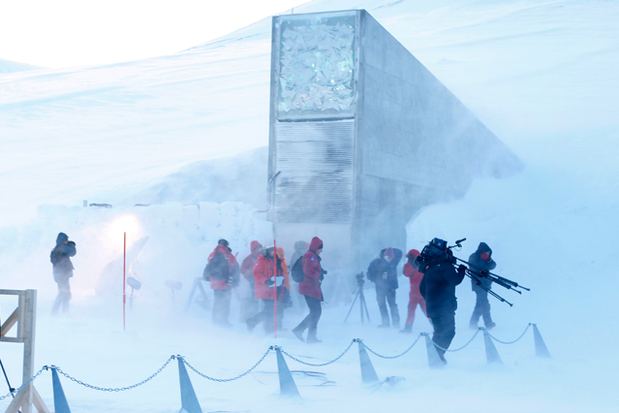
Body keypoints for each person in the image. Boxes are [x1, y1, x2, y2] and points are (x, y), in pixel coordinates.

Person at [418, 238, 466, 363]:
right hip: (445, 306)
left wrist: (430, 299)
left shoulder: (429, 269)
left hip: (432, 307)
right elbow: (454, 281)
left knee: (439, 331)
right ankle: (437, 355)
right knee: (449, 331)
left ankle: (434, 355)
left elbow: (422, 287)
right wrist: (461, 272)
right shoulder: (446, 266)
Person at [292, 237, 325, 343]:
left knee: (316, 312)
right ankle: (299, 330)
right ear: (316, 247)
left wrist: (321, 271)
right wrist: (318, 274)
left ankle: (311, 336)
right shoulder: (310, 255)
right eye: (320, 248)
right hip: (309, 287)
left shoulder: (312, 256)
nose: (321, 250)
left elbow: (311, 268)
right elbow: (308, 270)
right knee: (316, 312)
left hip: (312, 287)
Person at [246, 246, 284, 333]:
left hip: (273, 289)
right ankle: (253, 322)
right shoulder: (261, 261)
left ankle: (268, 329)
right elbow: (257, 273)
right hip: (264, 290)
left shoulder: (274, 260)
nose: (274, 252)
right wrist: (266, 280)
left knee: (272, 310)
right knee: (270, 310)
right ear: (267, 252)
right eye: (272, 251)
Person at [204, 239, 240, 327]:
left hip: (215, 283)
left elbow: (209, 265)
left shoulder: (211, 255)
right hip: (226, 283)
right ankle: (224, 321)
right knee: (226, 303)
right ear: (226, 245)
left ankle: (216, 321)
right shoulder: (228, 255)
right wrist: (236, 281)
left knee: (217, 302)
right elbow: (235, 268)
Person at [366, 247, 402, 328]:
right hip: (380, 288)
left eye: (391, 257)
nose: (390, 259)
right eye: (388, 257)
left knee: (393, 305)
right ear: (385, 256)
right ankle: (385, 322)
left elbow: (400, 252)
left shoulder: (394, 262)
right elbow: (369, 273)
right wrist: (375, 280)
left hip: (391, 288)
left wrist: (389, 249)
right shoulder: (376, 263)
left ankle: (396, 323)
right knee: (382, 305)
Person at [468, 242, 497, 330]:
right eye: (486, 253)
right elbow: (475, 268)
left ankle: (473, 322)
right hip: (478, 284)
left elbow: (493, 266)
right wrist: (482, 259)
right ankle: (488, 323)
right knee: (485, 304)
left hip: (486, 284)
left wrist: (488, 259)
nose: (487, 254)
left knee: (479, 305)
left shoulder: (485, 258)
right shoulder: (473, 257)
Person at [400, 249, 427, 333]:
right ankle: (436, 326)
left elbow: (406, 272)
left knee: (411, 311)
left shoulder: (411, 265)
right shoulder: (424, 264)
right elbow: (406, 272)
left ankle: (408, 328)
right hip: (423, 293)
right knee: (427, 311)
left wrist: (412, 264)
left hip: (416, 294)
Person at [50, 232, 77, 315]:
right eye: (66, 240)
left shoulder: (57, 249)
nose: (67, 241)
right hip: (63, 275)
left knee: (65, 294)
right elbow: (72, 252)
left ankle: (64, 312)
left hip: (60, 275)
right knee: (63, 293)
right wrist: (72, 244)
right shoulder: (62, 248)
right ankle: (56, 312)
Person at [240, 240, 262, 318]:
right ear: (253, 249)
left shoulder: (263, 257)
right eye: (257, 249)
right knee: (255, 297)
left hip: (264, 281)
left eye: (259, 248)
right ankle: (253, 312)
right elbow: (242, 269)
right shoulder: (248, 259)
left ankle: (263, 313)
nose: (258, 250)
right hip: (254, 281)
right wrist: (249, 278)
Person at [276, 247, 292, 329]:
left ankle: (278, 326)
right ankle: (276, 327)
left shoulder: (282, 261)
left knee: (280, 309)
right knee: (277, 309)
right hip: (278, 289)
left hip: (283, 288)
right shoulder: (275, 263)